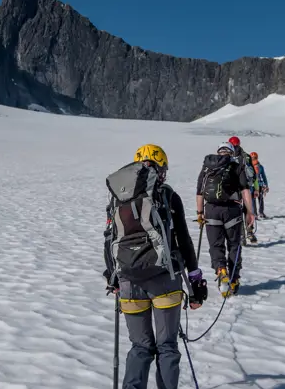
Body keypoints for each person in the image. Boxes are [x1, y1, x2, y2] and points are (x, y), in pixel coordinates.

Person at [103, 144, 209, 389]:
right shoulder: (168, 196)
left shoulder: (118, 197)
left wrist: (113, 277)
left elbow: (109, 238)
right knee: (167, 346)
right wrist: (195, 282)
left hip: (129, 281)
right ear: (161, 169)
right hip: (165, 280)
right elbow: (184, 240)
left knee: (140, 346)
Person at [195, 142, 255, 297]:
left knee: (216, 245)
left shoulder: (207, 167)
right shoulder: (236, 166)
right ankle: (234, 279)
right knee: (234, 245)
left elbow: (200, 191)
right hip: (232, 211)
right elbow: (245, 190)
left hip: (211, 210)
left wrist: (200, 212)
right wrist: (250, 212)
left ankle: (221, 270)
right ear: (231, 152)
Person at [227, 136, 259, 243]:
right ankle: (249, 232)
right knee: (247, 210)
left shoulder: (228, 156)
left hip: (235, 189)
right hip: (246, 187)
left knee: (239, 211)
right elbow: (254, 175)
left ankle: (242, 235)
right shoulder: (246, 156)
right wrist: (256, 188)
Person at [251, 151, 269, 220]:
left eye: (254, 158)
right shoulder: (250, 166)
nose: (253, 159)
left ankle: (260, 213)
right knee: (254, 200)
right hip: (254, 185)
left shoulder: (260, 167)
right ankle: (256, 214)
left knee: (259, 199)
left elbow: (263, 176)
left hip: (258, 185)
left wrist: (266, 185)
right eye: (252, 158)